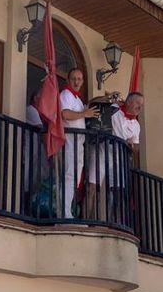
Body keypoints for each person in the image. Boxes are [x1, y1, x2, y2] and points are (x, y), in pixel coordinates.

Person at [60, 68, 99, 218]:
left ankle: (67, 210)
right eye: (73, 79)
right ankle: (63, 213)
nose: (76, 82)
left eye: (79, 79)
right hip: (70, 139)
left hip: (79, 142)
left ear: (82, 82)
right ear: (68, 80)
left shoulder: (77, 99)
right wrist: (85, 113)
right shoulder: (65, 95)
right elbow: (65, 114)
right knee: (69, 175)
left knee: (75, 177)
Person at [107, 91, 143, 220]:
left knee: (117, 191)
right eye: (138, 103)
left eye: (141, 105)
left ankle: (113, 221)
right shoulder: (115, 110)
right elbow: (103, 105)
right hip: (105, 153)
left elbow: (136, 148)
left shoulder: (136, 125)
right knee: (97, 187)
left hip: (121, 160)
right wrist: (111, 98)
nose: (140, 107)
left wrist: (132, 146)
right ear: (128, 102)